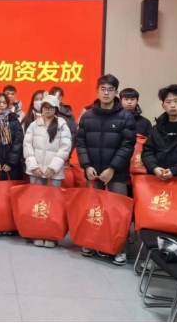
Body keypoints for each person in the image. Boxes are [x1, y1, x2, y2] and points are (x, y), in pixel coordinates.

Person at [76, 74, 136, 266]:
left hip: (116, 174)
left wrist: (112, 168)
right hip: (93, 173)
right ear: (97, 91)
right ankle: (91, 243)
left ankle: (119, 249)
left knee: (118, 212)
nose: (106, 93)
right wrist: (87, 165)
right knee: (93, 210)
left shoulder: (125, 117)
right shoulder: (87, 116)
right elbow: (80, 142)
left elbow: (128, 146)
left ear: (116, 92)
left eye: (111, 89)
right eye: (103, 89)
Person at [24, 95, 72, 248]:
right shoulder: (34, 125)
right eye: (45, 106)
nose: (47, 109)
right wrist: (34, 166)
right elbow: (27, 146)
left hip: (54, 173)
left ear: (56, 109)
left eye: (50, 107)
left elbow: (65, 147)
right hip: (36, 172)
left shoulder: (62, 125)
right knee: (36, 204)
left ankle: (51, 235)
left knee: (53, 205)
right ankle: (37, 233)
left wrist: (54, 167)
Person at [0, 93, 24, 182]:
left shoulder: (14, 120)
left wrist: (10, 162)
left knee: (11, 190)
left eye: (4, 102)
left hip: (12, 166)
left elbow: (18, 142)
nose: (2, 105)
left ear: (7, 104)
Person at [49, 86, 78, 151]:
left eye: (60, 95)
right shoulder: (45, 113)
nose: (57, 97)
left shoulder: (69, 114)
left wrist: (67, 151)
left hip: (64, 152)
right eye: (54, 94)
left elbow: (73, 135)